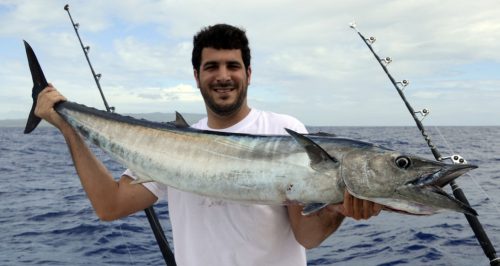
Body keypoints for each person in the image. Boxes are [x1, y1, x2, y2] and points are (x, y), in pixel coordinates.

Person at [35, 23, 382, 265]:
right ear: (197, 76)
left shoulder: (285, 130)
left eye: (233, 65)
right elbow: (109, 206)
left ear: (248, 73)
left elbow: (306, 237)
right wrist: (69, 129)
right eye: (211, 66)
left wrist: (337, 211)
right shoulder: (169, 145)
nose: (223, 75)